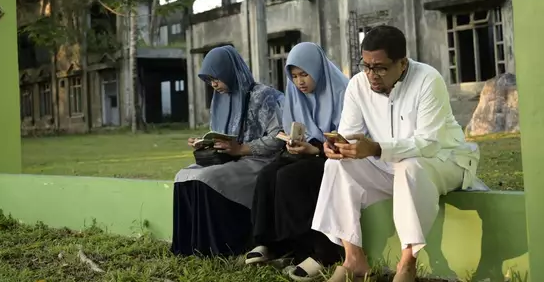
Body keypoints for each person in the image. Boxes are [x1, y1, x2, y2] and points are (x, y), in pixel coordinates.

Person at [312, 25, 486, 282]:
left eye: (380, 67)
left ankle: (407, 263)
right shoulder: (358, 85)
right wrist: (340, 146)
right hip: (391, 166)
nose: (371, 74)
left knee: (410, 165)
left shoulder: (428, 80)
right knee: (336, 166)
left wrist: (377, 148)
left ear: (402, 63)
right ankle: (353, 259)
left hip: (444, 161)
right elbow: (350, 133)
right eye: (366, 66)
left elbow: (428, 143)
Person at [245, 42, 348, 280]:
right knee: (268, 175)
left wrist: (314, 150)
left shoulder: (343, 91)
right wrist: (293, 143)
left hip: (336, 157)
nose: (299, 82)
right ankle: (273, 244)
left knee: (291, 177)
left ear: (318, 70)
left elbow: (345, 138)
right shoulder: (295, 93)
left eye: (304, 74)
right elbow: (294, 127)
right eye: (294, 76)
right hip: (306, 152)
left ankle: (322, 251)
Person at [171, 45, 285, 257]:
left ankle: (220, 248)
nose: (213, 85)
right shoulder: (222, 99)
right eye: (209, 81)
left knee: (206, 177)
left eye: (216, 78)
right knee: (183, 176)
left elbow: (278, 137)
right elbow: (223, 135)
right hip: (229, 159)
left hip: (259, 160)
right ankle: (190, 247)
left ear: (229, 71)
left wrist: (242, 148)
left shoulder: (267, 97)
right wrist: (207, 143)